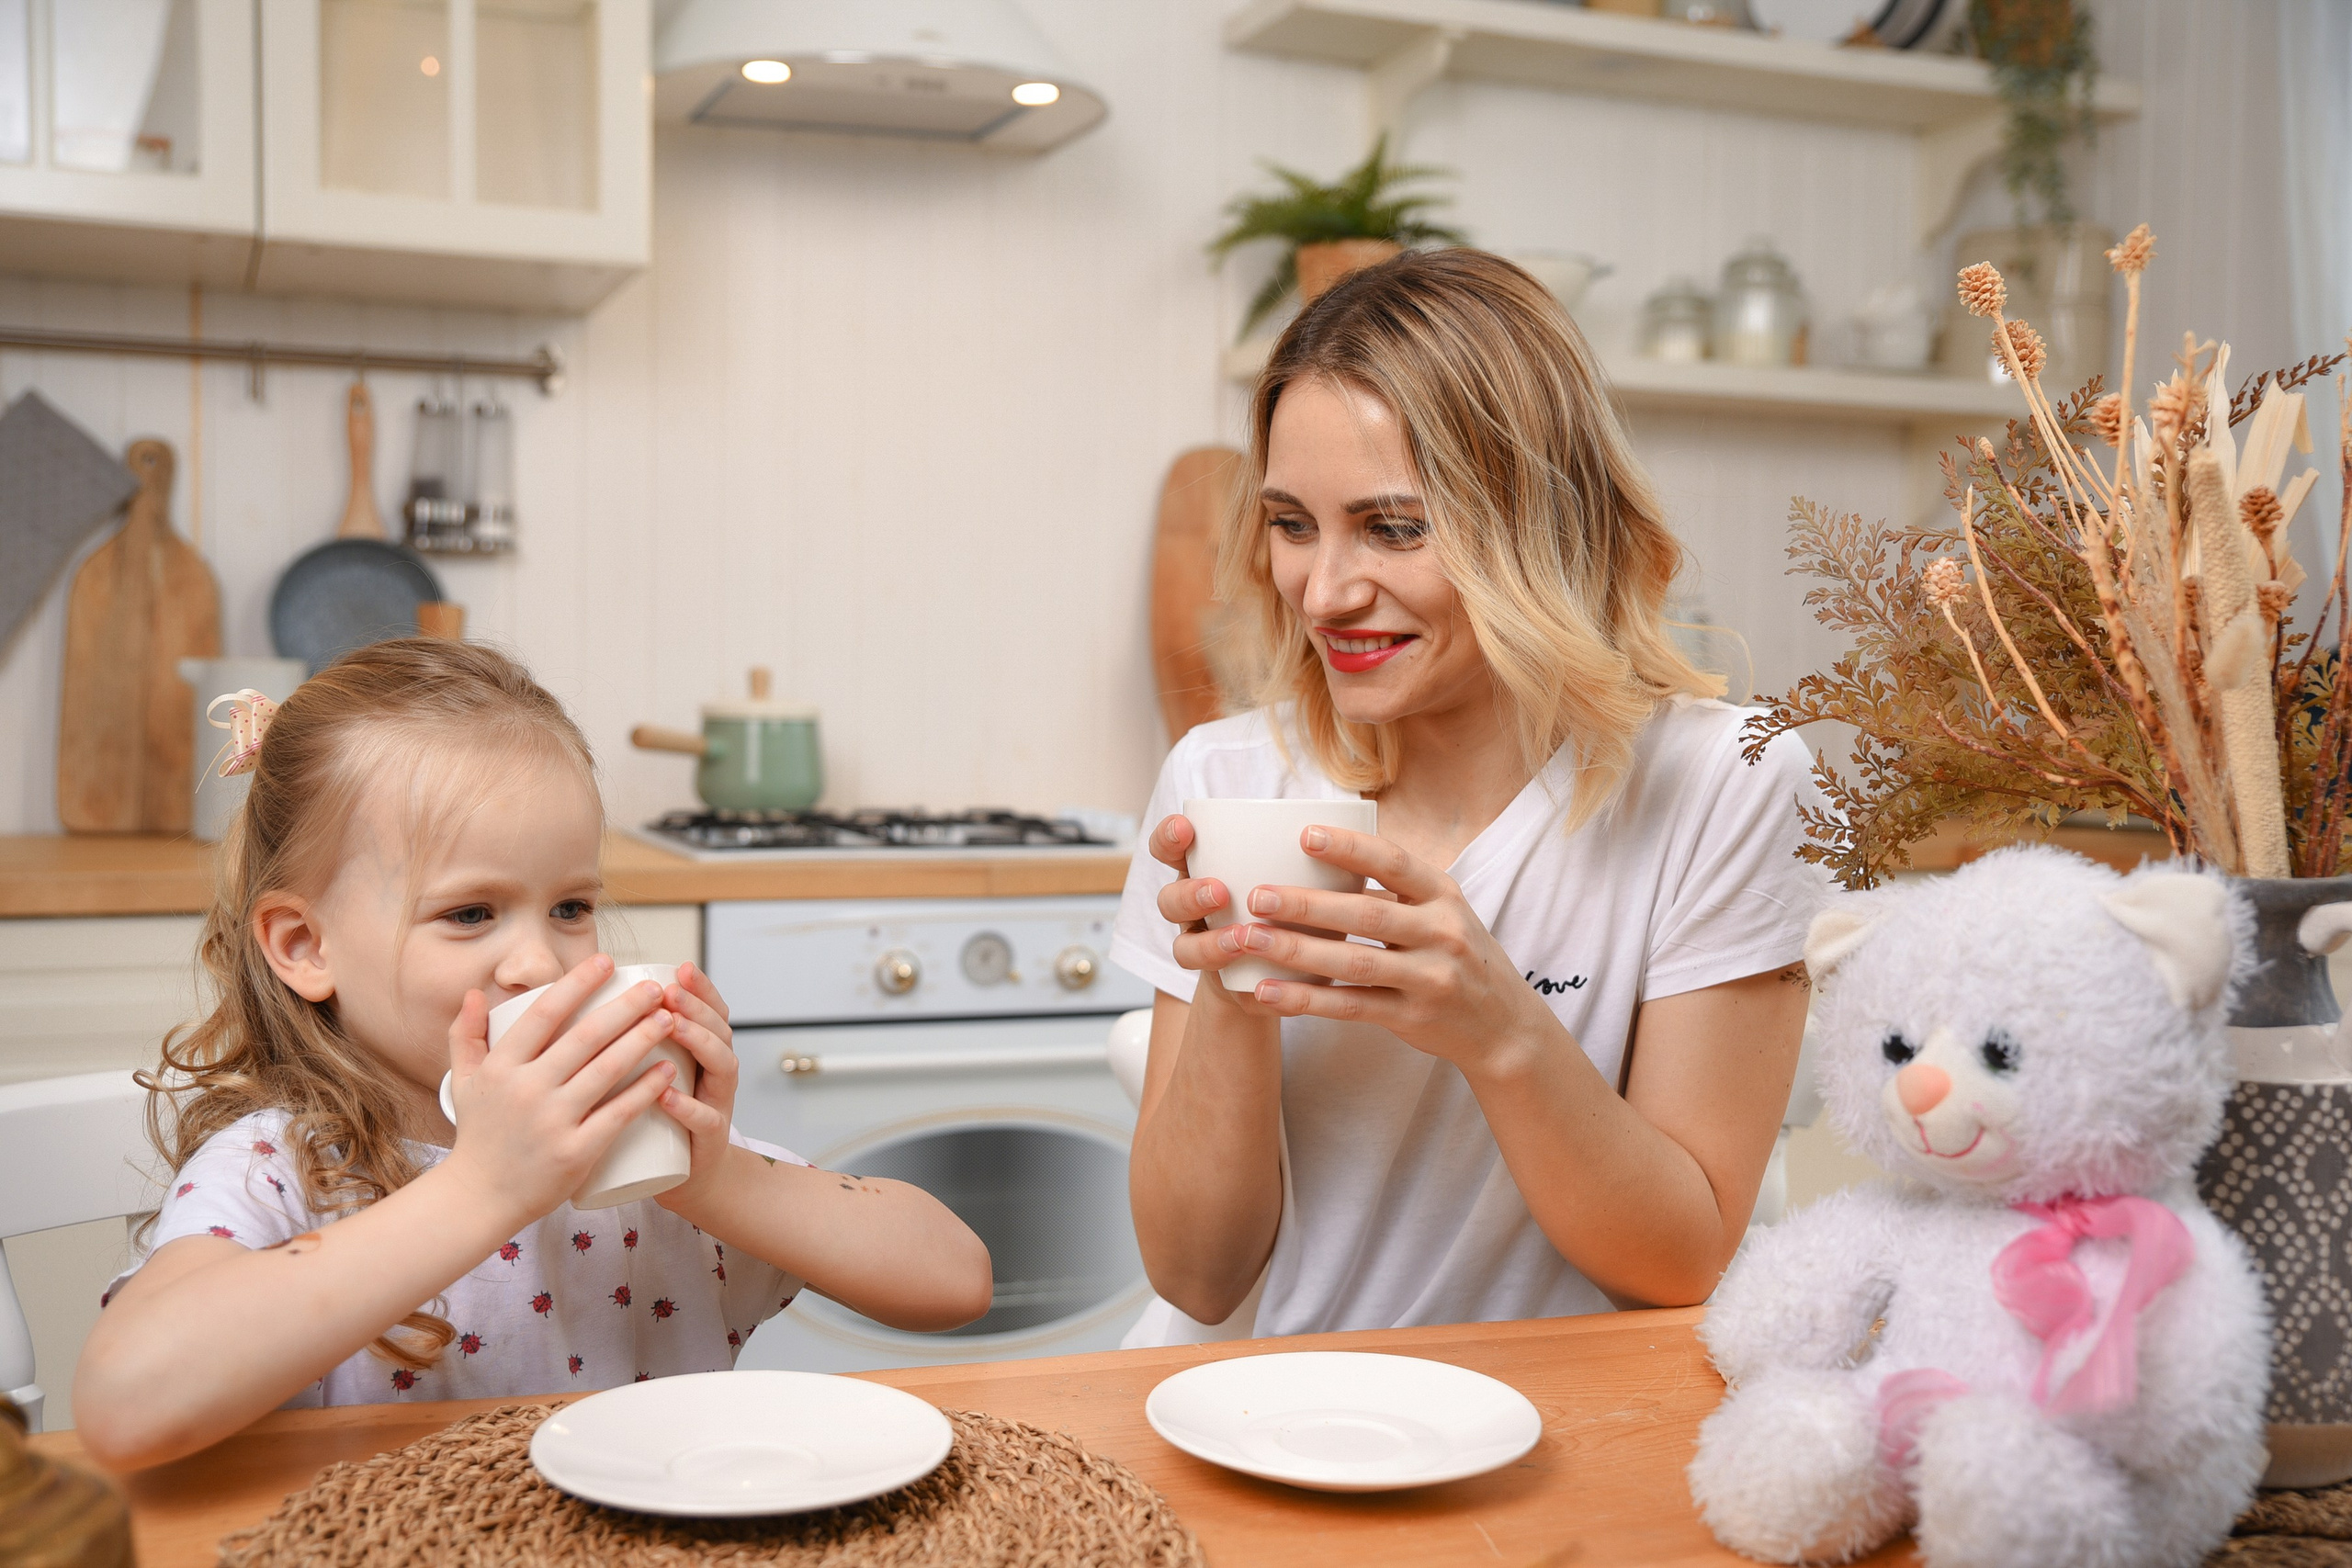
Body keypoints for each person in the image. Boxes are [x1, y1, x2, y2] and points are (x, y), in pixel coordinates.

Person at [1113, 249, 1828, 1343]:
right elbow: (1197, 1280)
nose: (1326, 589)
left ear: (1542, 519)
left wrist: (1498, 1028)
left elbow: (1679, 1264)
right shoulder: (1229, 780)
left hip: (1562, 1434)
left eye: (1394, 528)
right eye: (1292, 524)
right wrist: (1230, 993)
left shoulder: (1722, 784)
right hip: (1262, 1415)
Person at [75, 639, 991, 1469]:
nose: (541, 962)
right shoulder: (285, 1168)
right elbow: (125, 1405)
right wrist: (483, 1187)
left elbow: (956, 1279)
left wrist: (716, 1180)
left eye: (570, 908)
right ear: (305, 947)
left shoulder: (637, 1159)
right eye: (470, 913)